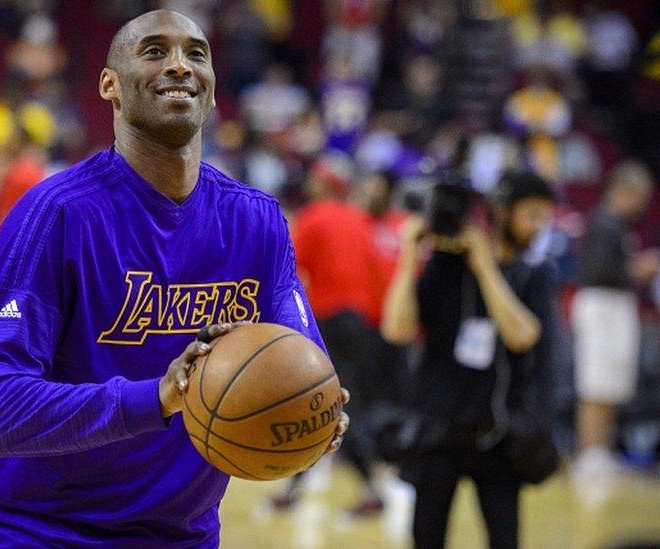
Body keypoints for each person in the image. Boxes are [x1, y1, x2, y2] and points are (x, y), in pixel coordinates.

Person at [0, 10, 350, 547]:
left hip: (180, 536)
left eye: (197, 54)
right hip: (38, 532)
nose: (181, 66)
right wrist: (155, 397)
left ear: (212, 92)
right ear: (109, 86)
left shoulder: (256, 221)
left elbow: (302, 361)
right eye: (155, 51)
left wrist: (315, 412)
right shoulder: (56, 216)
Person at [381, 172, 558, 549]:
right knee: (426, 539)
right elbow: (397, 330)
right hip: (437, 428)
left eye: (544, 216)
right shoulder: (446, 265)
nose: (537, 226)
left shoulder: (534, 273)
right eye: (531, 214)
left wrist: (485, 266)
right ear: (502, 211)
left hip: (498, 433)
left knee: (505, 540)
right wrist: (410, 254)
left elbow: (522, 335)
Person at [269, 156, 384, 516]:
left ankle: (370, 488)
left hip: (328, 319)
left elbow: (286, 270)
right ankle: (297, 487)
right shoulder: (360, 219)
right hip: (361, 321)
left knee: (324, 404)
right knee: (340, 403)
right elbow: (376, 273)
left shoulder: (314, 217)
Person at [571, 160, 657, 508]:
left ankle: (601, 450)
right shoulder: (603, 223)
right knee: (594, 381)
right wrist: (638, 268)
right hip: (601, 305)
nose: (641, 205)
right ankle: (588, 453)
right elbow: (601, 271)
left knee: (610, 383)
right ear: (622, 190)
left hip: (617, 306)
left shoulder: (619, 225)